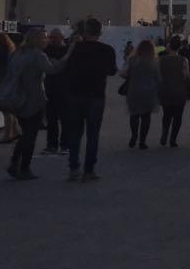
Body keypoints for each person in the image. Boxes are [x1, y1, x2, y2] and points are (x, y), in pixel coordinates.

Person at [1, 28, 73, 179]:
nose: (47, 41)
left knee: (25, 133)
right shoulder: (38, 55)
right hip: (34, 98)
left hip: (17, 98)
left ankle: (15, 162)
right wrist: (67, 56)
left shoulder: (17, 53)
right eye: (44, 38)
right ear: (36, 40)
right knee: (30, 135)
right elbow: (53, 69)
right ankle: (24, 167)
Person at [65, 17, 119, 182]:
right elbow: (112, 71)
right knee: (93, 134)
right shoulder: (107, 50)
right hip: (96, 94)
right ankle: (89, 170)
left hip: (75, 93)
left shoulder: (75, 48)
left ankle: (73, 167)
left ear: (85, 32)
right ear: (100, 32)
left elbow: (66, 66)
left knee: (75, 133)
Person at [120, 39, 161, 149]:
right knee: (146, 117)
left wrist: (130, 76)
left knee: (134, 115)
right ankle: (142, 141)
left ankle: (134, 135)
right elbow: (159, 78)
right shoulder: (154, 61)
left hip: (134, 91)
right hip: (149, 92)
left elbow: (122, 73)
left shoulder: (132, 60)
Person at [41, 29, 70, 154]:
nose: (52, 40)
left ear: (62, 37)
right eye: (50, 37)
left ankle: (65, 145)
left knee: (65, 119)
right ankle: (51, 144)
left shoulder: (68, 49)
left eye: (54, 37)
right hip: (50, 87)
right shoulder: (47, 50)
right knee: (51, 118)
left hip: (65, 88)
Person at [157, 35, 190, 147]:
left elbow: (158, 75)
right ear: (179, 47)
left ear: (169, 47)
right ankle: (173, 139)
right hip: (179, 91)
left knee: (166, 114)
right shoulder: (184, 60)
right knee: (178, 116)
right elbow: (186, 76)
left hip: (166, 90)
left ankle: (165, 132)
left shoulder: (161, 60)